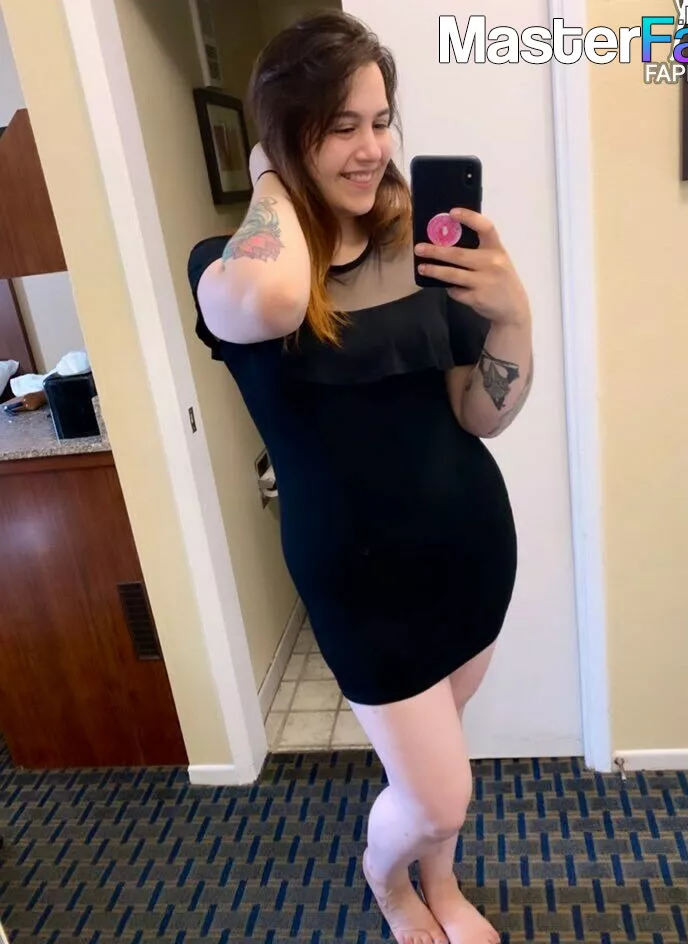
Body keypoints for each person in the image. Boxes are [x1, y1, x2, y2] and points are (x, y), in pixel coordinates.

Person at [187, 10, 533, 944]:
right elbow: (272, 302)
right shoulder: (231, 266)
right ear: (284, 134)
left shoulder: (423, 250)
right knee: (439, 792)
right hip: (363, 588)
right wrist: (271, 174)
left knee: (434, 765)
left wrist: (513, 320)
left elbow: (481, 413)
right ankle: (388, 883)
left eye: (381, 121)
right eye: (340, 126)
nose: (373, 148)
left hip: (470, 553)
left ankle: (440, 885)